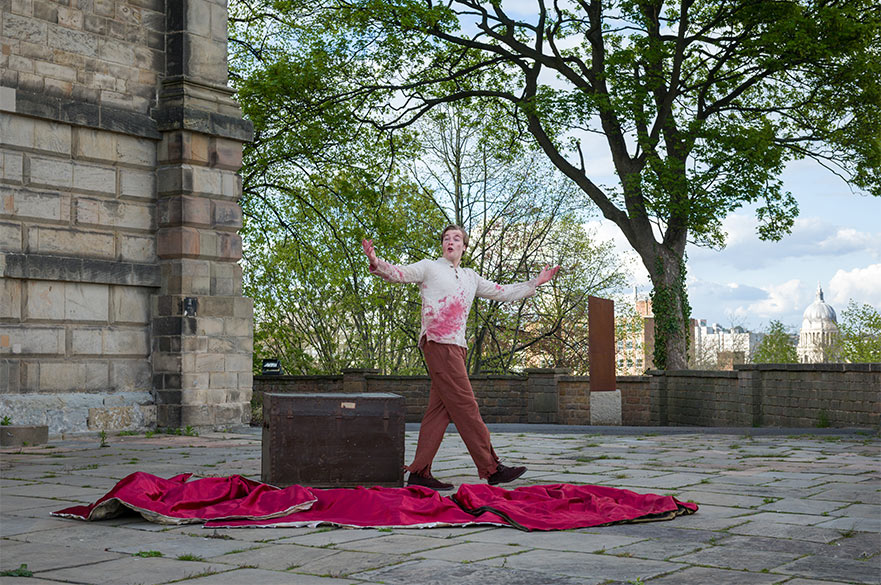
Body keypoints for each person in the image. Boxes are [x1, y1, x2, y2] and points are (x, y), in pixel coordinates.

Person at [362, 225, 560, 490]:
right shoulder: (429, 267)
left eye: (456, 238)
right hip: (438, 344)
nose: (450, 242)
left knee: (439, 412)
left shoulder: (470, 276)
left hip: (457, 348)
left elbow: (502, 292)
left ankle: (420, 472)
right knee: (467, 408)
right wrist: (376, 262)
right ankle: (492, 468)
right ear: (442, 245)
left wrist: (534, 283)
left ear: (464, 247)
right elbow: (399, 273)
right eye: (446, 238)